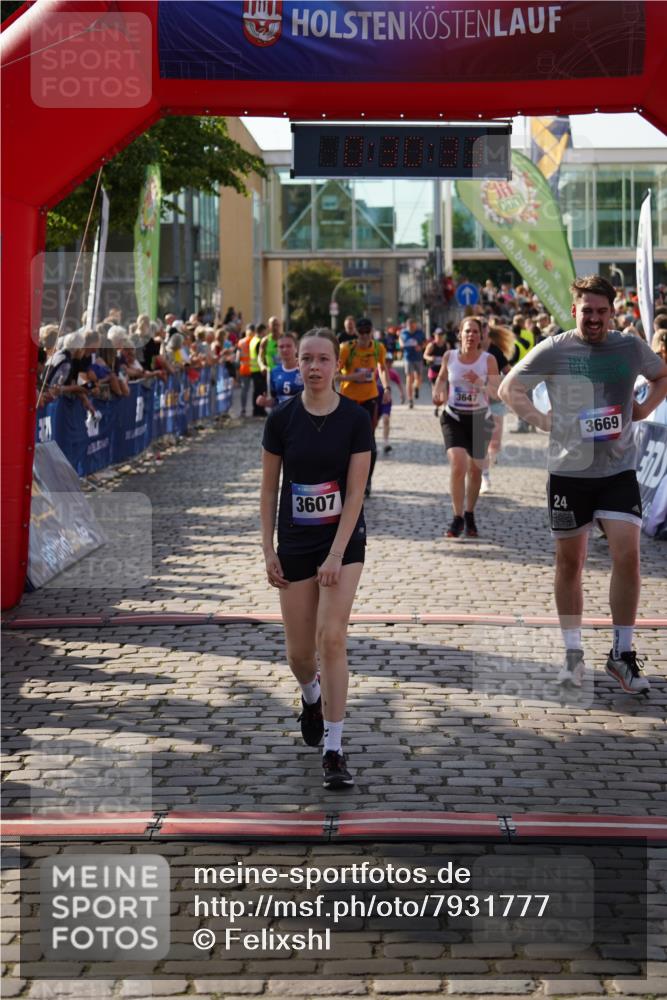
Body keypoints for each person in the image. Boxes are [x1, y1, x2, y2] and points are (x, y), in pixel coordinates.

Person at [499, 275, 667, 695]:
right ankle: (573, 655)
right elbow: (509, 388)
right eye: (586, 310)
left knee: (628, 556)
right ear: (573, 311)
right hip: (569, 474)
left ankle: (621, 653)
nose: (593, 318)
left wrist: (644, 407)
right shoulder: (555, 349)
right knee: (569, 564)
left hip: (618, 470)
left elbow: (661, 374)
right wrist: (548, 423)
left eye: (601, 311)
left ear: (612, 311)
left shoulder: (629, 346)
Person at [260, 328, 373, 789]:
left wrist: (336, 553)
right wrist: (268, 548)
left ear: (336, 365)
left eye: (323, 359)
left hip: (342, 542)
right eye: (306, 359)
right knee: (299, 654)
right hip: (295, 541)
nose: (313, 367)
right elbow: (270, 489)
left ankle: (334, 748)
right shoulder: (282, 419)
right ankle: (311, 695)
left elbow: (356, 493)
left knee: (332, 639)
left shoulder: (355, 419)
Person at [432, 317, 500, 538]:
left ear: (481, 336)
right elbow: (442, 378)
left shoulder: (488, 360)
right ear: (459, 334)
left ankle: (470, 513)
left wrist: (479, 383)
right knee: (458, 463)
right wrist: (437, 392)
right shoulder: (449, 356)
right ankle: (457, 517)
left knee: (476, 469)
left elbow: (496, 393)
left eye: (475, 332)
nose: (471, 335)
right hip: (453, 417)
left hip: (480, 418)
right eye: (467, 331)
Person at [337, 317, 392, 497]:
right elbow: (334, 375)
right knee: (346, 442)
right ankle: (345, 479)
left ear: (372, 332)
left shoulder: (378, 348)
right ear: (356, 333)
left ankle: (367, 481)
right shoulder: (347, 349)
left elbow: (382, 369)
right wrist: (352, 378)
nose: (365, 337)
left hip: (370, 399)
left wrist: (387, 388)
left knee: (370, 444)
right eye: (361, 333)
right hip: (349, 400)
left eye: (368, 333)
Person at [480, 320, 514, 492]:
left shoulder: (495, 351)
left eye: (483, 328)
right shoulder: (472, 350)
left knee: (496, 444)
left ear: (487, 331)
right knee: (483, 442)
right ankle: (485, 477)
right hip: (477, 401)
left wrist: (507, 386)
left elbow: (509, 371)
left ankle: (488, 463)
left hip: (495, 400)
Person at [256, 332, 304, 409]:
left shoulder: (305, 370)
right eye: (281, 347)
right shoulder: (274, 372)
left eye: (288, 346)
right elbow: (275, 401)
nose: (285, 349)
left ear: (296, 348)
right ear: (277, 350)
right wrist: (264, 402)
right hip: (282, 418)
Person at [376, 353, 405, 453]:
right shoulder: (376, 371)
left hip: (386, 400)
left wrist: (402, 394)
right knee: (374, 423)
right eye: (386, 361)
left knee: (386, 419)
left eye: (389, 362)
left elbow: (399, 383)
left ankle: (385, 442)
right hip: (375, 400)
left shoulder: (393, 373)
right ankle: (371, 441)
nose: (387, 364)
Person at [400, 318, 426, 408]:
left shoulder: (420, 332)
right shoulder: (403, 332)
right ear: (407, 325)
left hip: (418, 358)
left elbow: (425, 343)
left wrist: (421, 347)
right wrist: (401, 344)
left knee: (418, 379)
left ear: (415, 325)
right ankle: (410, 400)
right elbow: (400, 340)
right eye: (410, 326)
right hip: (408, 358)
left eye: (413, 326)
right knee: (409, 378)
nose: (411, 327)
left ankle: (416, 387)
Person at [424, 328, 448, 417]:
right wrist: (431, 358)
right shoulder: (431, 345)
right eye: (438, 335)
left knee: (444, 389)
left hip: (443, 370)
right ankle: (436, 407)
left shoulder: (446, 345)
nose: (440, 337)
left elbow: (449, 355)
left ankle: (445, 409)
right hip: (433, 370)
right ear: (435, 335)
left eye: (441, 335)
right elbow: (425, 355)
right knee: (436, 390)